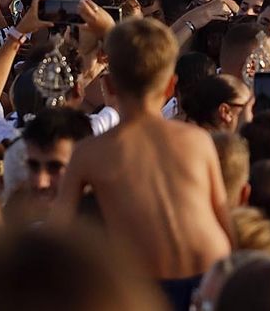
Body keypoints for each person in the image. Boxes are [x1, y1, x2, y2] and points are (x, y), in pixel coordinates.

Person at [53, 18, 233, 310]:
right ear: (171, 86)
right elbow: (223, 218)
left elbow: (56, 232)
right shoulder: (197, 139)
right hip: (212, 272)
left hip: (149, 284)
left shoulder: (90, 153)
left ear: (109, 86)